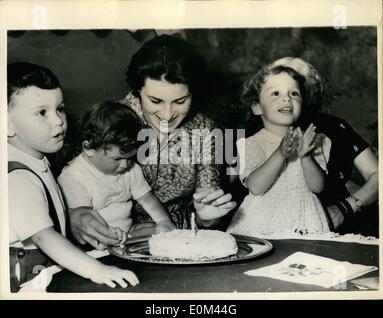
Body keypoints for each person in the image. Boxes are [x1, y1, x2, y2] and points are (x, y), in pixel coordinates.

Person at [69, 34, 237, 249]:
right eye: (155, 101)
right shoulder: (109, 121)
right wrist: (74, 213)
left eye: (180, 101)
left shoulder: (205, 130)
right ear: (137, 91)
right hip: (108, 237)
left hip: (177, 237)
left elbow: (207, 203)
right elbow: (74, 178)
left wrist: (208, 218)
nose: (167, 115)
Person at [8, 62, 139, 292]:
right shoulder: (16, 176)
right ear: (6, 124)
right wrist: (97, 270)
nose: (58, 120)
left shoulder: (37, 158)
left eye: (59, 108)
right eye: (41, 113)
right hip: (22, 284)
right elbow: (44, 237)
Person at [269, 57, 379, 237]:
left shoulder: (333, 127)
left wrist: (344, 209)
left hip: (332, 228)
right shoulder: (256, 129)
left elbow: (378, 175)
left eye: (295, 90)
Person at [227, 64, 331, 238]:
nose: (287, 99)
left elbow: (318, 186)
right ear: (257, 107)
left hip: (305, 218)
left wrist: (305, 156)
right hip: (261, 221)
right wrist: (280, 154)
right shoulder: (251, 143)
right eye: (276, 93)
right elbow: (256, 187)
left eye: (294, 93)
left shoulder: (313, 139)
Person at [58, 101, 175, 245]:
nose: (125, 164)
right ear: (89, 148)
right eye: (117, 158)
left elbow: (146, 198)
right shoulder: (73, 175)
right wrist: (110, 234)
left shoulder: (131, 168)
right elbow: (84, 218)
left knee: (159, 232)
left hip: (128, 232)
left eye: (129, 157)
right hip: (95, 240)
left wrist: (163, 221)